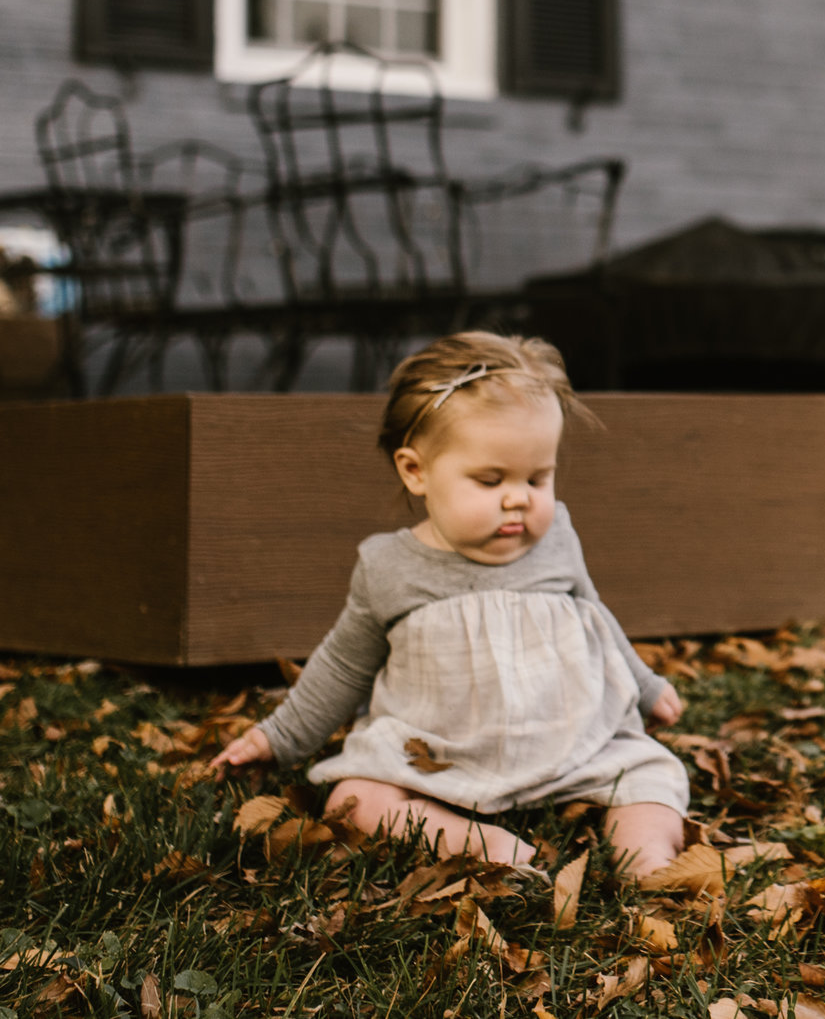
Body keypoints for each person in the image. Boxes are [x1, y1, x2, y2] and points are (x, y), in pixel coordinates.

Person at [213, 331, 690, 877]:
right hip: (437, 755)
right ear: (416, 471)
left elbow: (594, 616)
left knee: (652, 777)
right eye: (491, 480)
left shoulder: (557, 535)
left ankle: (647, 858)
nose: (519, 497)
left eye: (539, 477)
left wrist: (647, 685)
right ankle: (477, 843)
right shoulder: (389, 566)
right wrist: (277, 738)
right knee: (357, 795)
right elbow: (343, 665)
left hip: (573, 741)